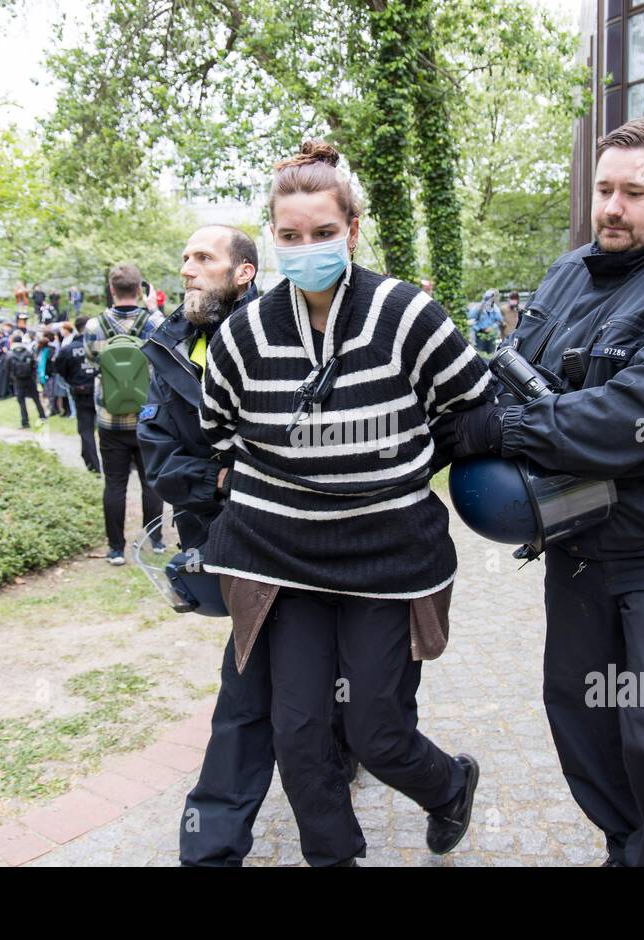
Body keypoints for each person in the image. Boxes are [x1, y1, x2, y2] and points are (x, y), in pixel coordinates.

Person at [433, 117, 644, 867]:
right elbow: (507, 371)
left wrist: (509, 430)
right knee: (583, 720)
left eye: (634, 192)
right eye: (604, 189)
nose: (613, 207)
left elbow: (637, 417)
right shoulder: (566, 273)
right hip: (578, 546)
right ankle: (628, 846)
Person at [198, 140, 487, 867]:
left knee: (375, 730)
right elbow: (219, 432)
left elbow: (476, 408)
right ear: (272, 238)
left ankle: (449, 786)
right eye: (289, 236)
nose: (307, 247)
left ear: (352, 230)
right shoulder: (243, 334)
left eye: (323, 233)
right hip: (281, 559)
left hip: (387, 559)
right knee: (297, 734)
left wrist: (400, 468)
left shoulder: (408, 314)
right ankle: (335, 858)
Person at [136, 225, 262, 865]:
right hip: (225, 541)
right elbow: (160, 462)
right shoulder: (170, 347)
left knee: (256, 686)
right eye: (183, 256)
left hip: (301, 538)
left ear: (243, 272)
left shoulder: (285, 332)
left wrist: (246, 474)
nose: (186, 268)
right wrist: (222, 477)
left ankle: (211, 843)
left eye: (203, 258)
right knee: (254, 677)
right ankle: (212, 845)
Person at [83, 262, 165, 563]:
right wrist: (152, 306)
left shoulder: (94, 327)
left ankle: (116, 548)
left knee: (114, 484)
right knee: (151, 482)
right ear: (140, 289)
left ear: (111, 290)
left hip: (110, 421)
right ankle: (155, 540)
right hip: (147, 418)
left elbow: (93, 364)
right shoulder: (153, 324)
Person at [55, 315, 101, 472]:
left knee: (86, 430)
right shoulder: (101, 345)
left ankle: (93, 467)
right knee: (109, 429)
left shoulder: (68, 350)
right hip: (103, 391)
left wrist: (73, 381)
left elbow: (60, 370)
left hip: (81, 392)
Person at [7, 331, 46, 429]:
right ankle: (42, 416)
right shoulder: (28, 352)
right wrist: (33, 376)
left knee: (21, 402)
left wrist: (12, 378)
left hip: (18, 380)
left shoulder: (10, 354)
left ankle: (25, 422)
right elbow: (34, 365)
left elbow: (7, 368)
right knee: (36, 399)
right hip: (30, 379)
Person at [468, 288, 502, 353]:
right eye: (490, 297)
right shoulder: (479, 307)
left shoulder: (495, 309)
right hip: (480, 335)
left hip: (491, 336)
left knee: (491, 354)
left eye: (493, 297)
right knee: (480, 354)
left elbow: (499, 321)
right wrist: (479, 328)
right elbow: (471, 317)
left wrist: (492, 327)